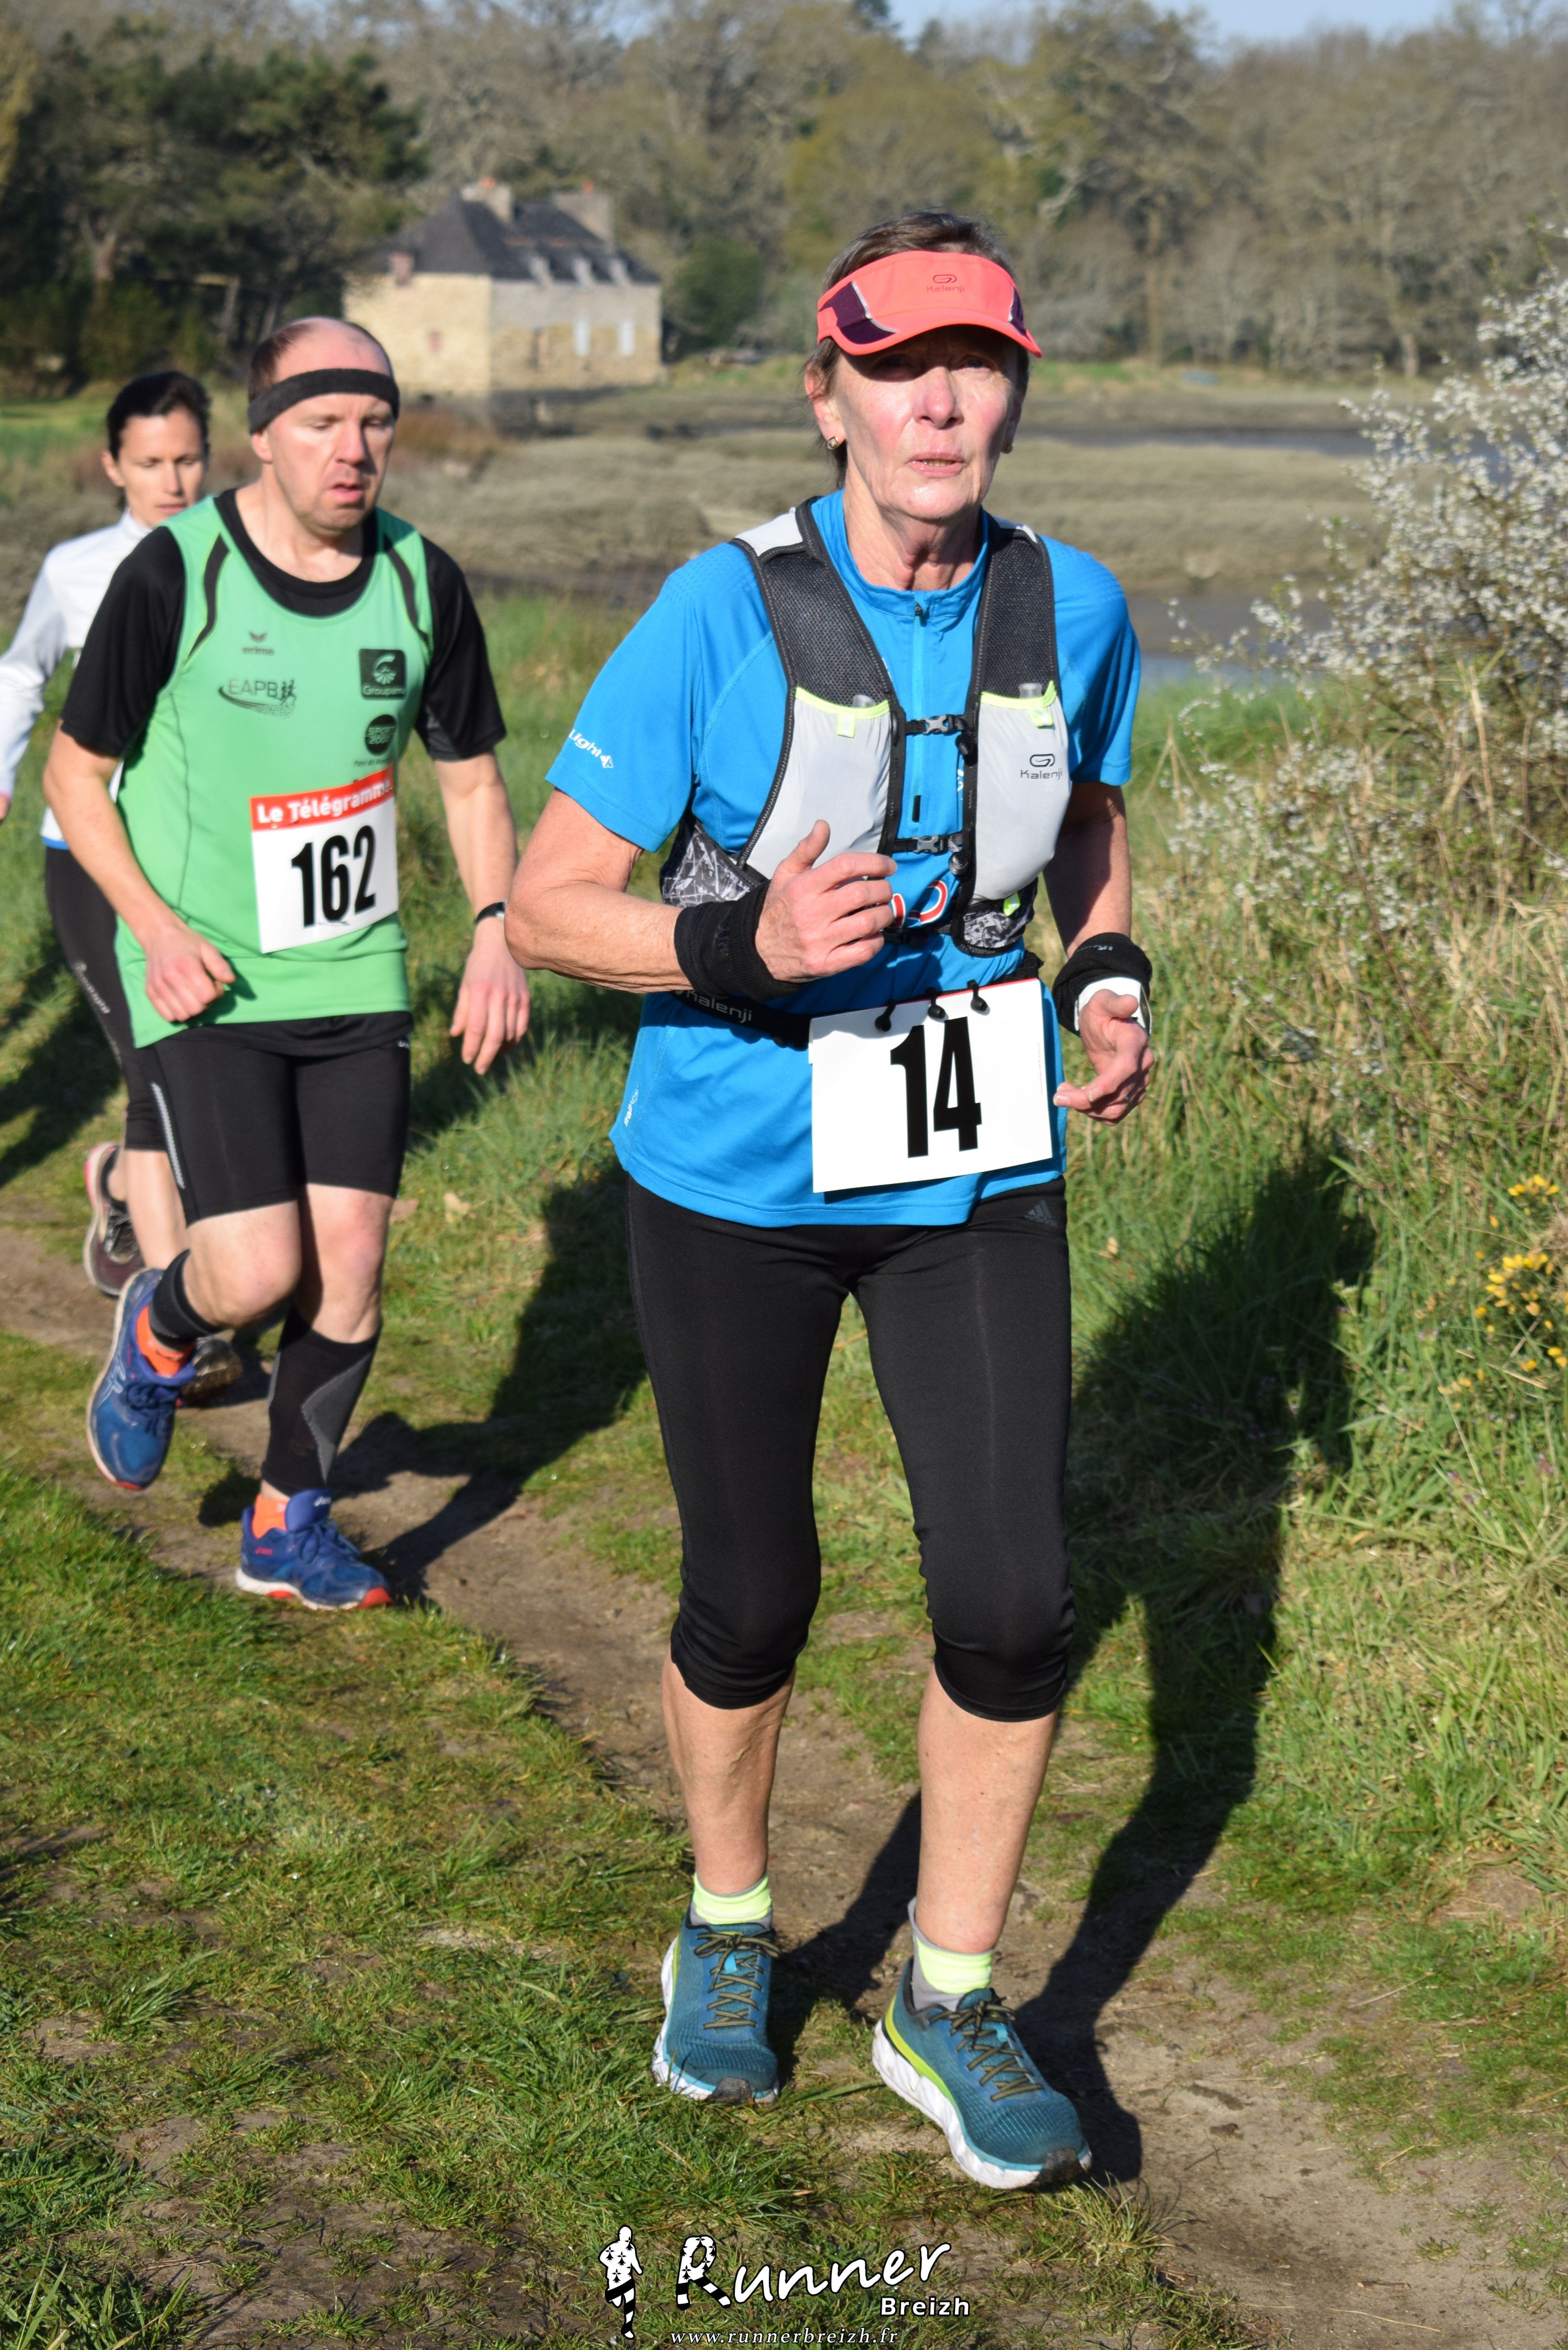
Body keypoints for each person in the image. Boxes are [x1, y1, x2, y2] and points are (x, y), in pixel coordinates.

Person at [508, 212, 1153, 2188]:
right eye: (897, 370)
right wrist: (742, 943)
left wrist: (1107, 972)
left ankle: (946, 1994)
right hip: (734, 1172)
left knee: (1015, 1596)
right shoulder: (715, 615)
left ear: (1014, 394)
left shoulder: (1074, 603)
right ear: (828, 399)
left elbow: (1088, 824)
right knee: (754, 1589)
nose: (939, 401)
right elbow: (546, 904)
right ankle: (726, 1923)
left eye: (976, 366)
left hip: (972, 1156)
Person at [44, 318, 530, 1610]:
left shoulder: (423, 582)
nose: (353, 449)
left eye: (375, 423)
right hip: (204, 972)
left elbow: (473, 782)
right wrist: (155, 928)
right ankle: (158, 1328)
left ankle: (286, 1522)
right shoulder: (177, 574)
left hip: (356, 975)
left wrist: (497, 929)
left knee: (353, 1257)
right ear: (263, 436)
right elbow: (75, 780)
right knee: (256, 1270)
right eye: (322, 423)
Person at [0, 372, 238, 1395]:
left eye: (187, 459)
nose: (172, 481)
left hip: (204, 857)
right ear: (112, 465)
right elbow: (22, 671)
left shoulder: (243, 556)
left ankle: (116, 1181)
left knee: (206, 1061)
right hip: (89, 857)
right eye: (150, 463)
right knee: (153, 1068)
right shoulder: (76, 569)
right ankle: (184, 1315)